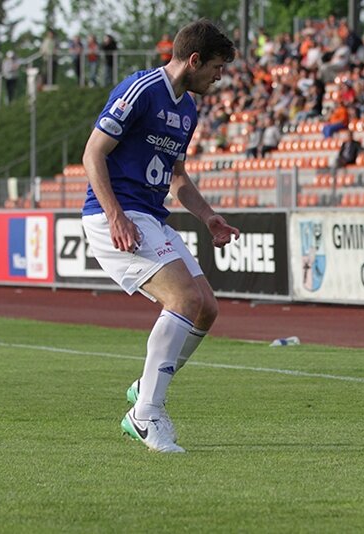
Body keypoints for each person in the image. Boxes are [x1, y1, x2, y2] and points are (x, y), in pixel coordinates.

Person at [81, 19, 239, 453]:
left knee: (206, 308)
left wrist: (208, 217)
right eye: (217, 67)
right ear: (194, 60)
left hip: (149, 215)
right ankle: (145, 413)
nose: (219, 77)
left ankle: (145, 387)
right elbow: (93, 153)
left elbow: (177, 177)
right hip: (115, 215)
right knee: (184, 299)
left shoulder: (188, 109)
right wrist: (115, 215)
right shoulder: (141, 89)